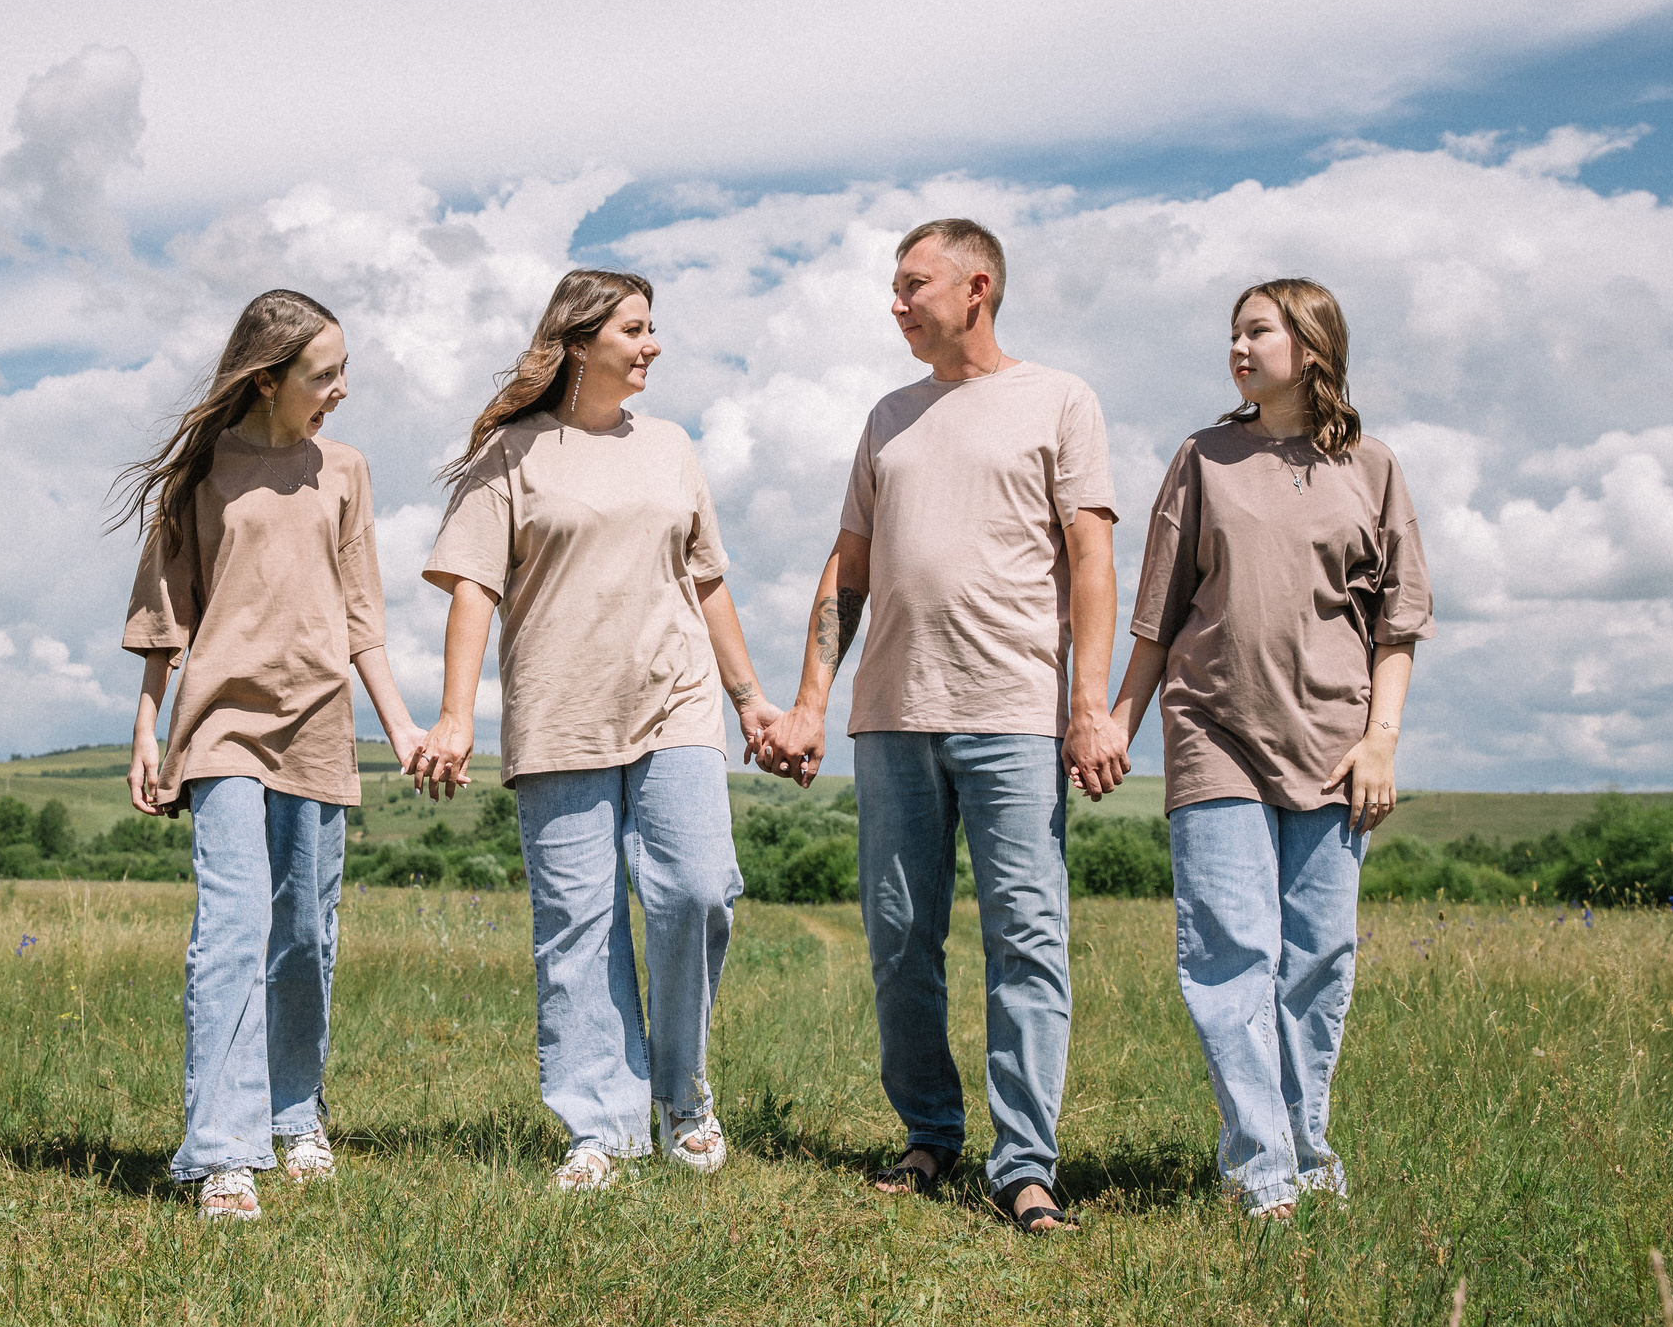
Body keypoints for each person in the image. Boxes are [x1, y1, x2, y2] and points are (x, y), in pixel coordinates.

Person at [755, 218, 1124, 1234]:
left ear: (978, 286)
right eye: (893, 284)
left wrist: (1087, 707)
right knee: (900, 938)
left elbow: (1090, 560)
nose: (896, 302)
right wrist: (808, 704)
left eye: (913, 284)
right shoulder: (888, 416)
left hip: (1012, 712)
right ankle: (929, 1133)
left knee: (1027, 938)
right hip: (892, 717)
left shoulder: (1058, 400)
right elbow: (850, 567)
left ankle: (1025, 1165)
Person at [412, 268, 775, 1192]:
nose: (651, 345)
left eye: (652, 329)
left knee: (698, 890)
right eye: (635, 328)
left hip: (675, 701)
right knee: (578, 926)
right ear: (578, 342)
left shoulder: (671, 448)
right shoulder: (513, 455)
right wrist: (457, 715)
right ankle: (601, 1127)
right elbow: (472, 589)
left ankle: (681, 1090)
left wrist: (749, 700)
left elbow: (708, 580)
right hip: (559, 712)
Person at [1103, 277, 1431, 1220]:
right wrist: (1118, 724)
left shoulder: (1373, 468)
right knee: (1229, 948)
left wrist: (1381, 740)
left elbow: (1398, 624)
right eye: (1233, 332)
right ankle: (1263, 1170)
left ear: (1313, 348)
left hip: (1336, 745)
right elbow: (1160, 612)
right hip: (1214, 733)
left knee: (1318, 955)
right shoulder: (1204, 457)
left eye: (1258, 331)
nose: (1238, 347)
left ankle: (1307, 1146)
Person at [113, 289, 427, 1223]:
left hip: (321, 721)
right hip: (220, 721)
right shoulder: (204, 470)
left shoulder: (346, 470)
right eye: (322, 375)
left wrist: (401, 727)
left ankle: (295, 1113)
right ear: (266, 377)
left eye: (341, 371)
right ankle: (222, 1150)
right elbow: (165, 604)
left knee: (305, 932)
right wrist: (145, 720)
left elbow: (363, 614)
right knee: (233, 923)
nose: (339, 390)